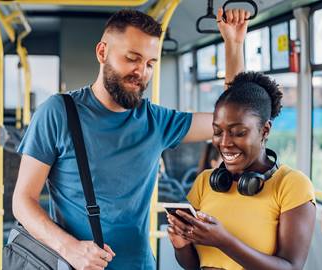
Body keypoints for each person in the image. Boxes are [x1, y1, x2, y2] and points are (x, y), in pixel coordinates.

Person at [14, 8, 250, 270]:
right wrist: (71, 249)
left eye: (150, 64)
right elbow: (23, 201)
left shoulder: (156, 121)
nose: (142, 72)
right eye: (132, 59)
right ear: (102, 52)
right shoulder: (57, 113)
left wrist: (234, 45)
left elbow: (231, 118)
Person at [167, 71, 316, 270]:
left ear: (265, 131)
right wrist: (182, 246)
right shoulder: (205, 181)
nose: (225, 143)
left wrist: (225, 241)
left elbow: (291, 267)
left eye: (238, 133)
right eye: (218, 132)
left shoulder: (291, 184)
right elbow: (195, 265)